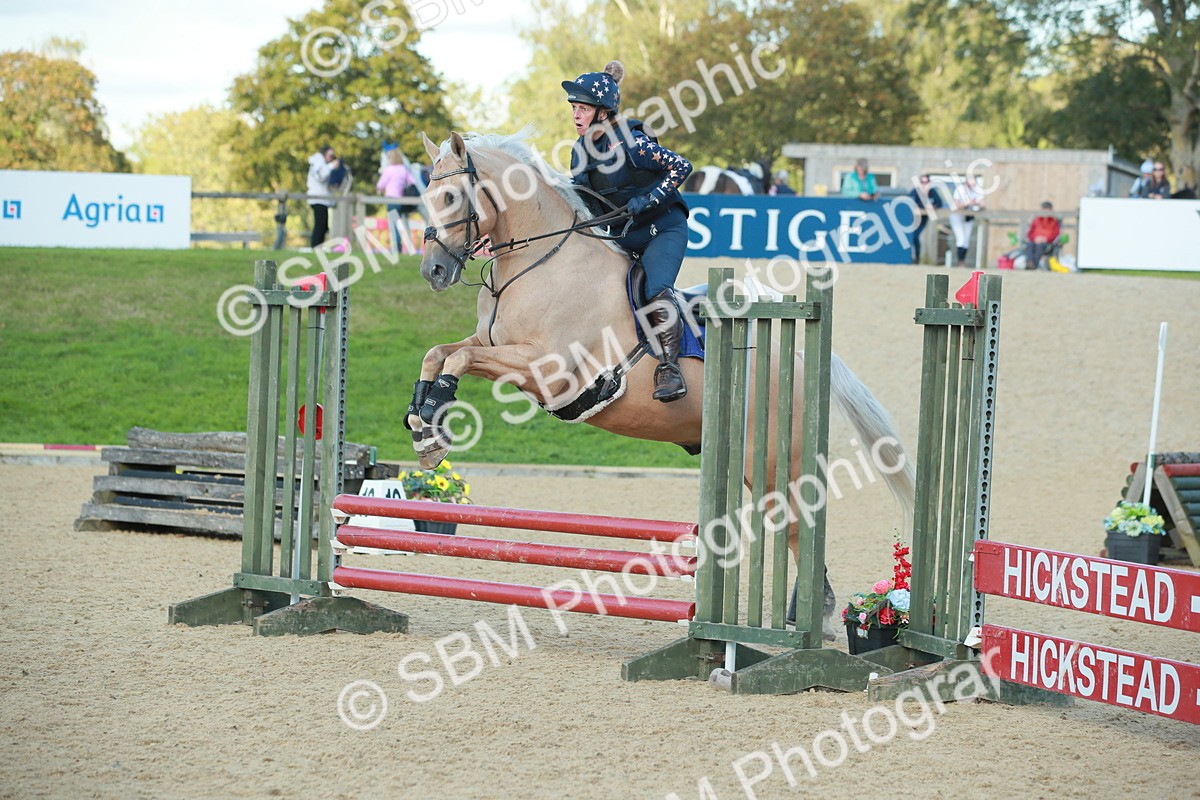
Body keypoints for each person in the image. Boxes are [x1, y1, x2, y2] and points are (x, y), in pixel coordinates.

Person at [564, 59, 694, 403]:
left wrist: (649, 199)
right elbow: (582, 201)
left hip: (664, 230)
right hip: (625, 236)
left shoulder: (634, 142)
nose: (576, 115)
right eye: (574, 108)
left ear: (603, 113)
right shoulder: (580, 152)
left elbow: (682, 166)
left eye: (583, 108)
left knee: (655, 288)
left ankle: (670, 368)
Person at [377, 146, 417, 254]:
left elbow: (380, 185)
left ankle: (397, 248)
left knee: (394, 224)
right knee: (403, 224)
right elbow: (412, 182)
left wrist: (380, 190)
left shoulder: (389, 170)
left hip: (391, 200)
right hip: (402, 200)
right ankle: (408, 248)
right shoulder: (404, 169)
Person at [307, 145, 340, 247]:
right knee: (320, 226)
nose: (332, 158)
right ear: (324, 154)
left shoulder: (323, 164)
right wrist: (331, 166)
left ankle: (318, 247)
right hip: (318, 199)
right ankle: (315, 247)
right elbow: (321, 176)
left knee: (323, 226)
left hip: (323, 200)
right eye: (331, 155)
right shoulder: (318, 161)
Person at [906, 174, 944, 264]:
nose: (924, 184)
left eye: (926, 182)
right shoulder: (915, 191)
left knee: (915, 236)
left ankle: (917, 258)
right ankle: (911, 257)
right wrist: (923, 206)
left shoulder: (932, 192)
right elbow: (908, 201)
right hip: (912, 218)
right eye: (922, 182)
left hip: (922, 219)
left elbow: (939, 203)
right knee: (911, 237)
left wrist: (932, 206)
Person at [950, 176, 985, 266]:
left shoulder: (977, 190)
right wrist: (968, 203)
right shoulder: (960, 189)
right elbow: (957, 205)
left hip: (968, 216)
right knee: (961, 238)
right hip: (957, 216)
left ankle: (962, 262)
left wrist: (976, 203)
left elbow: (982, 203)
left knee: (966, 240)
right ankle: (960, 262)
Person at [1024, 201, 1062, 270]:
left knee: (1039, 246)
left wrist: (1046, 239)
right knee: (1030, 244)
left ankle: (1034, 265)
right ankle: (1029, 262)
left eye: (1047, 210)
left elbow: (1055, 234)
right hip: (1035, 240)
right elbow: (1030, 233)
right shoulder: (1036, 220)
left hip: (1047, 243)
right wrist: (1035, 238)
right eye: (1044, 209)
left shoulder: (1054, 221)